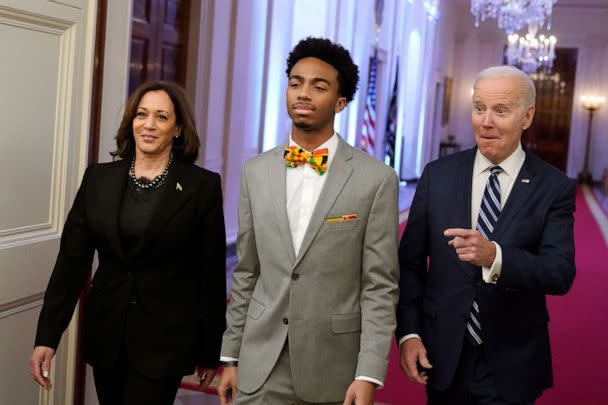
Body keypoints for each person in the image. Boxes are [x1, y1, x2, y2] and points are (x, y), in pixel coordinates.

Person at [217, 37, 399, 405]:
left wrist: (368, 373)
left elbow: (379, 286)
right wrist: (230, 356)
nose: (303, 93)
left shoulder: (375, 180)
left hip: (332, 368)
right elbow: (246, 271)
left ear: (340, 102)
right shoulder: (255, 171)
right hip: (259, 363)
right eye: (296, 83)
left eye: (319, 86)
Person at [30, 80, 227, 405]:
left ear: (177, 128)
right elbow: (70, 264)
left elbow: (210, 273)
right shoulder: (98, 179)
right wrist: (47, 337)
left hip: (166, 339)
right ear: (131, 121)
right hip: (108, 334)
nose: (148, 125)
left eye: (161, 117)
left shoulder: (200, 187)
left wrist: (210, 350)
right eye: (141, 114)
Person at [396, 65, 576, 404]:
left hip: (511, 361)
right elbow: (409, 266)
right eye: (479, 108)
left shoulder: (554, 187)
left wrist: (496, 258)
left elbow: (560, 272)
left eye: (501, 110)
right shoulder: (438, 176)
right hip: (442, 354)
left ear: (527, 116)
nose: (486, 121)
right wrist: (408, 333)